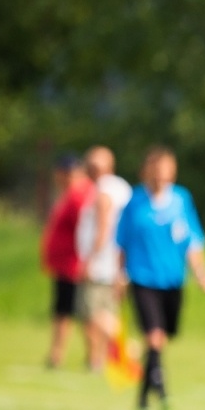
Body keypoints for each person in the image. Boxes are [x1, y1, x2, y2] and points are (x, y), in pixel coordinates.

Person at [115, 146, 205, 410]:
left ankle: (142, 398)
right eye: (155, 170)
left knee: (161, 338)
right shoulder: (135, 201)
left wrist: (202, 272)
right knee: (154, 336)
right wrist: (120, 275)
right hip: (142, 277)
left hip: (172, 279)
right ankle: (162, 393)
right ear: (147, 171)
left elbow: (191, 240)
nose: (160, 176)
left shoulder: (181, 200)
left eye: (165, 171)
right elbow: (121, 243)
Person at [75, 146, 132, 372]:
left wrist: (89, 260)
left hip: (101, 265)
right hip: (118, 263)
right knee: (107, 311)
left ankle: (121, 353)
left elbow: (103, 227)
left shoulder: (104, 190)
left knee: (92, 313)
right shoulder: (123, 187)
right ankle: (101, 360)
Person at [40, 154, 93, 369]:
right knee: (66, 311)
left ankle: (88, 356)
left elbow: (85, 231)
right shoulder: (67, 195)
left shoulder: (79, 196)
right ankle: (62, 354)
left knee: (77, 312)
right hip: (65, 265)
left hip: (75, 265)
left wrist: (85, 260)